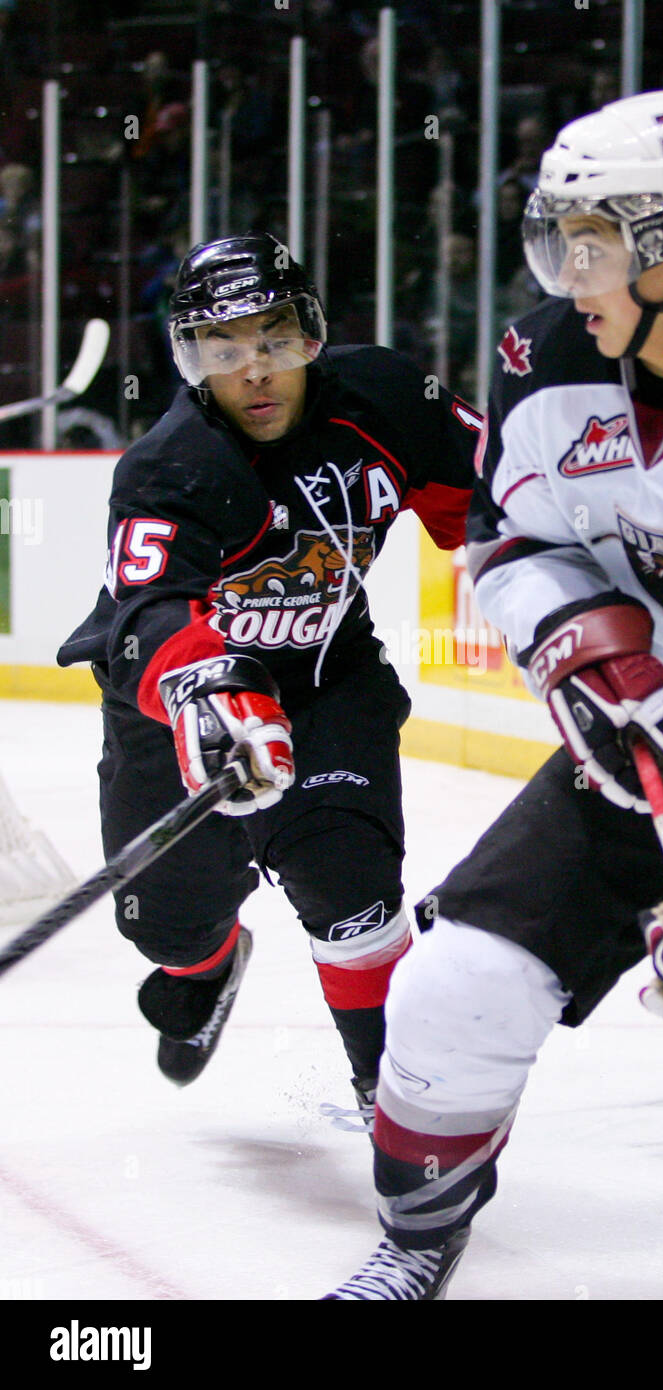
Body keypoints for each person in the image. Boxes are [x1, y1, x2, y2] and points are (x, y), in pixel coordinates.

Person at [325, 90, 663, 1299]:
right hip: (652, 734)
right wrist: (577, 647)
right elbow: (511, 545)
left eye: (593, 241)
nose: (564, 273)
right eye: (555, 238)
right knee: (455, 986)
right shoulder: (545, 355)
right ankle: (417, 1240)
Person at [57, 232, 479, 1124]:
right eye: (223, 348)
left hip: (328, 679)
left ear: (314, 334)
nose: (254, 371)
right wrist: (209, 688)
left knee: (351, 883)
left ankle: (396, 1099)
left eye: (274, 339)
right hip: (180, 706)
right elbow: (145, 614)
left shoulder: (389, 400)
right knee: (168, 922)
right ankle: (205, 966)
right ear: (189, 359)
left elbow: (499, 499)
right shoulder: (171, 467)